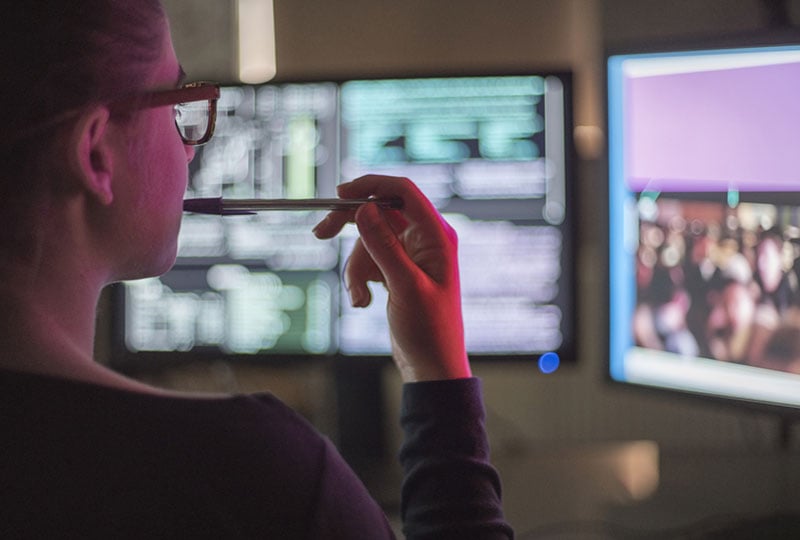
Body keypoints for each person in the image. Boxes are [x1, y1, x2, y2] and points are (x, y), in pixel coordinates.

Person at [0, 2, 513, 538]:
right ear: (97, 153)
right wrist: (440, 373)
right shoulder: (251, 473)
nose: (190, 151)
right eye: (179, 106)